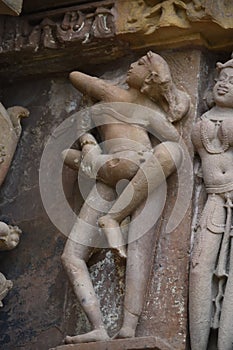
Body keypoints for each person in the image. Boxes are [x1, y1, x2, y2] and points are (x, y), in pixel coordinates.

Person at [61, 51, 190, 344]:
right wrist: (89, 143)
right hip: (116, 170)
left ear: (148, 80)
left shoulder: (112, 93)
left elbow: (78, 78)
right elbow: (172, 132)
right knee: (80, 255)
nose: (133, 64)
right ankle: (103, 327)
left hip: (133, 171)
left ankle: (114, 218)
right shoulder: (143, 108)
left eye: (141, 64)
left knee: (119, 251)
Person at [189, 54, 233, 350]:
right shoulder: (202, 118)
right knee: (198, 268)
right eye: (222, 79)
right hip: (214, 200)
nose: (225, 85)